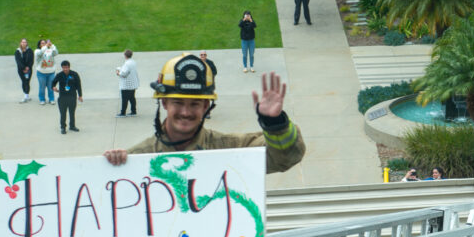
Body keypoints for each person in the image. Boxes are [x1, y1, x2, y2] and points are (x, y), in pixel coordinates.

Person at [103, 53, 306, 176]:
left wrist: (275, 124)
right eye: (178, 103)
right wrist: (112, 167)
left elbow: (284, 158)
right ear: (163, 102)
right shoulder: (139, 158)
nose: (186, 112)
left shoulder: (228, 149)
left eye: (194, 104)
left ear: (206, 106)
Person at [51, 60, 83, 134]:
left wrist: (80, 95)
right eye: (64, 68)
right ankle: (63, 127)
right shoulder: (59, 75)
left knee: (72, 112)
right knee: (63, 113)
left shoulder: (74, 74)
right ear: (62, 68)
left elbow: (78, 85)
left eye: (67, 67)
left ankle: (72, 126)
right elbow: (53, 82)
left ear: (69, 67)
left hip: (72, 96)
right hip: (62, 97)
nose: (65, 69)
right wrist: (53, 87)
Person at [115, 49, 139, 117]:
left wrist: (118, 73)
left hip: (126, 85)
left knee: (124, 99)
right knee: (132, 98)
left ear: (125, 55)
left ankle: (123, 113)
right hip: (133, 84)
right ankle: (133, 111)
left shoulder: (127, 63)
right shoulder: (133, 62)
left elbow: (124, 74)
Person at [34, 39, 58, 104]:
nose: (44, 44)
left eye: (45, 43)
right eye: (42, 43)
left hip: (51, 73)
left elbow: (56, 53)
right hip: (41, 73)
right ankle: (42, 99)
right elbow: (40, 53)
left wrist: (52, 46)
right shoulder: (37, 51)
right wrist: (46, 46)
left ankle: (51, 99)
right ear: (39, 45)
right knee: (42, 87)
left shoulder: (50, 50)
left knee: (51, 87)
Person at [14, 38, 34, 103]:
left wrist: (28, 67)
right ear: (20, 43)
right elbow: (18, 61)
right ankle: (26, 95)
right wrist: (23, 68)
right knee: (24, 81)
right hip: (21, 70)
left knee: (27, 81)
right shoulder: (17, 51)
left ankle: (26, 96)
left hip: (29, 69)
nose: (24, 43)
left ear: (27, 43)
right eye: (22, 42)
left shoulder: (30, 50)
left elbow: (31, 60)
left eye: (25, 42)